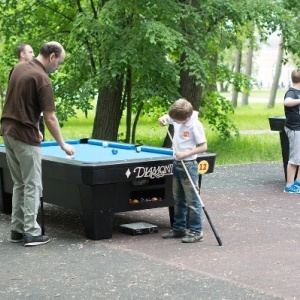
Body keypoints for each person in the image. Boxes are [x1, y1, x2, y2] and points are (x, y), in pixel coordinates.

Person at [1, 41, 75, 246]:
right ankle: (32, 232)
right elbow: (50, 118)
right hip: (24, 136)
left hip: (8, 131)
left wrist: (34, 124)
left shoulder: (19, 68)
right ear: (52, 57)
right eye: (59, 63)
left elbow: (20, 100)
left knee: (20, 184)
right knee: (33, 184)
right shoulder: (42, 79)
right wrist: (63, 144)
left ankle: (17, 230)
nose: (58, 67)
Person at [158, 98, 207, 243]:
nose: (174, 122)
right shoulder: (177, 117)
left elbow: (203, 146)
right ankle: (179, 229)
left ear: (185, 118)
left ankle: (196, 232)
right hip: (177, 163)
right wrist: (164, 119)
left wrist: (185, 154)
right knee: (178, 199)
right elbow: (168, 118)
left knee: (192, 200)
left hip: (189, 165)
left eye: (176, 120)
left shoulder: (195, 125)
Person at [283, 69, 300, 193]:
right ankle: (289, 186)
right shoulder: (291, 92)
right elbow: (287, 102)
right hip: (295, 129)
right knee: (294, 159)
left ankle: (297, 183)